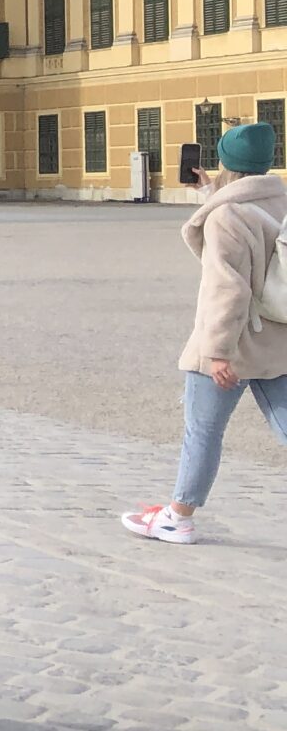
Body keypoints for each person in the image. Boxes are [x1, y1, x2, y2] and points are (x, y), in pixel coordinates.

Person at [124, 120, 287, 543]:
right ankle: (176, 513)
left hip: (231, 345)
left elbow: (226, 288)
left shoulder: (225, 217)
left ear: (225, 162)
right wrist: (211, 191)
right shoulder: (279, 200)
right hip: (278, 341)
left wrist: (217, 352)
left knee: (203, 432)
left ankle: (177, 517)